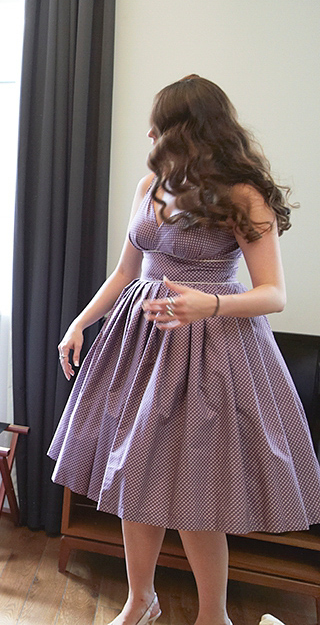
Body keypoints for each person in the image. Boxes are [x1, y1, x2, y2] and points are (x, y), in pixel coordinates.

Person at [48, 75, 320, 625]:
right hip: (140, 344)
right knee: (132, 478)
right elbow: (127, 271)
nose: (150, 132)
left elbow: (275, 294)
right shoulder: (150, 183)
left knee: (199, 492)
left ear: (191, 130)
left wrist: (210, 305)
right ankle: (139, 600)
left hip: (210, 351)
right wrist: (79, 323)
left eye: (162, 122)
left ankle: (212, 615)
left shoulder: (244, 193)